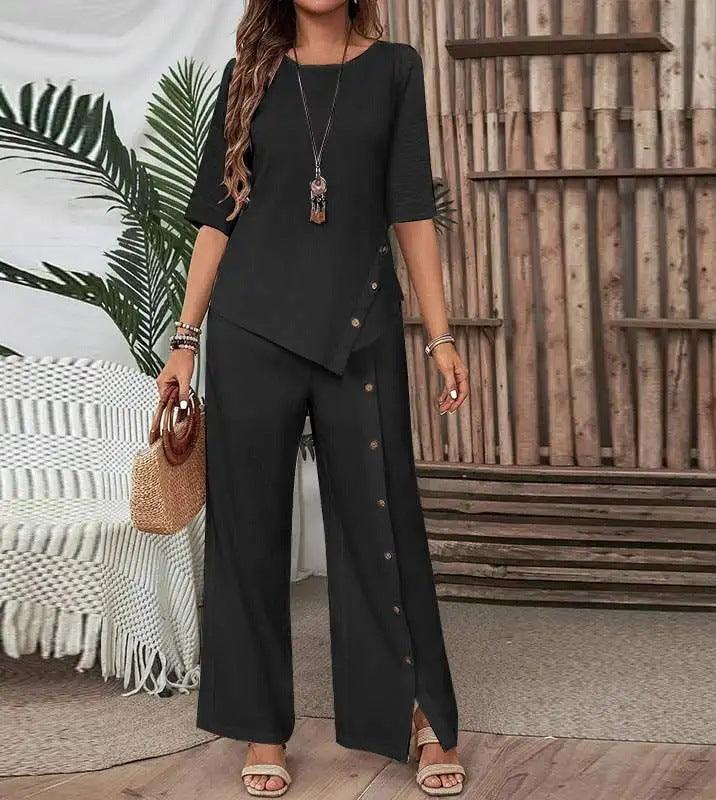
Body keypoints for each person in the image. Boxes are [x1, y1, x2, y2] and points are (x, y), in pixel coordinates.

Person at [157, 0, 470, 795]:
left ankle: (419, 714)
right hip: (251, 327)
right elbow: (218, 215)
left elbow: (411, 206)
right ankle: (261, 727)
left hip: (360, 326)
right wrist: (185, 339)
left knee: (383, 524)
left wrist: (440, 335)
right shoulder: (249, 75)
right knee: (250, 531)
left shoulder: (395, 69)